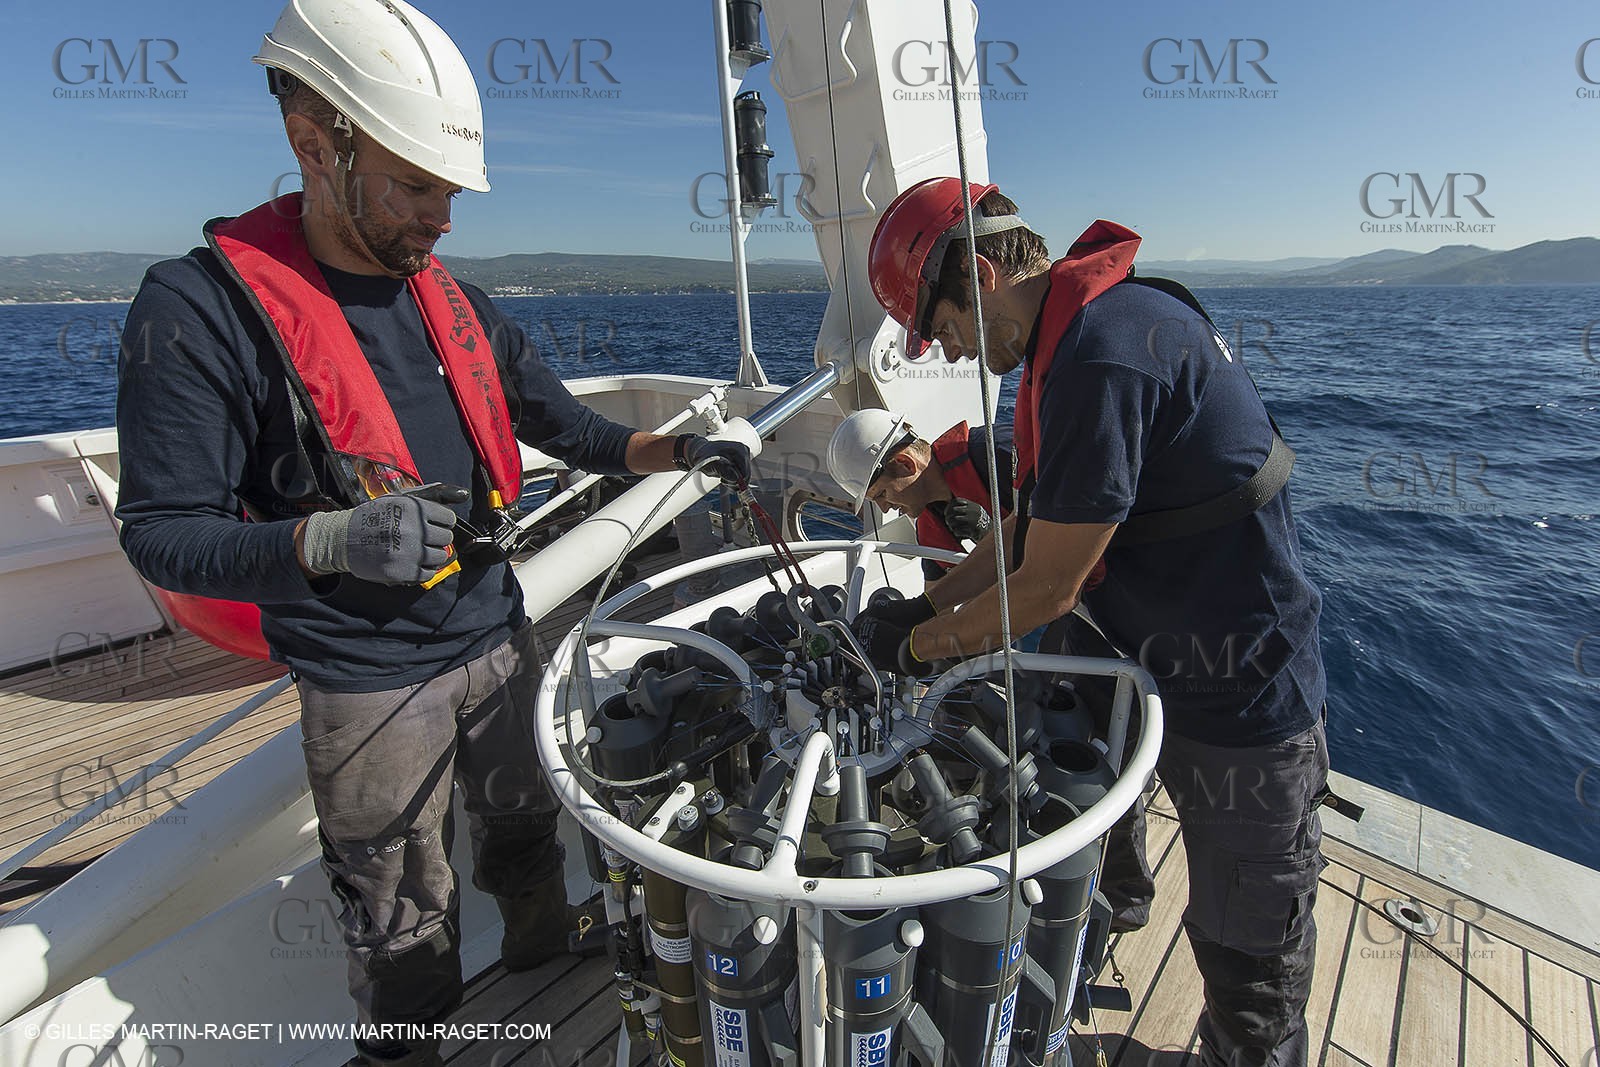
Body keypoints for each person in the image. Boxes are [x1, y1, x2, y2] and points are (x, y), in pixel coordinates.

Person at [112, 3, 751, 1064]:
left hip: (496, 630)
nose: (442, 217)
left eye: (450, 190)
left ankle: (546, 955)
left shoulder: (459, 303)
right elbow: (162, 535)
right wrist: (327, 543)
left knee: (521, 823)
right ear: (315, 142)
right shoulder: (194, 309)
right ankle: (410, 1043)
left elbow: (569, 429)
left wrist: (679, 454)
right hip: (364, 674)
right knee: (397, 891)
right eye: (417, 185)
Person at [851, 177, 1329, 1067]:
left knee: (1248, 942)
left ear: (985, 274)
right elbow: (1028, 526)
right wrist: (928, 604)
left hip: (1240, 685)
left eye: (944, 325)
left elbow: (1046, 589)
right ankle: (1113, 922)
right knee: (1093, 819)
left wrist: (914, 647)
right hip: (1141, 650)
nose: (948, 349)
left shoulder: (1104, 356)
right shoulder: (1071, 345)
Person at [825, 408, 1014, 583]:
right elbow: (937, 601)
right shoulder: (928, 524)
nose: (884, 508)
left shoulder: (1002, 451)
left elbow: (1042, 561)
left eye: (882, 494)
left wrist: (988, 532)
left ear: (906, 464)